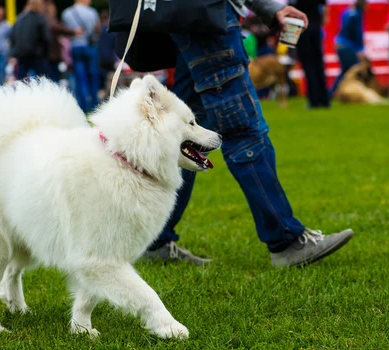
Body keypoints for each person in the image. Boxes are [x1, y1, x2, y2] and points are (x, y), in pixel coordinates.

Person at [141, 0, 354, 267]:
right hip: (208, 16)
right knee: (243, 129)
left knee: (182, 135)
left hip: (186, 15)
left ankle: (154, 239)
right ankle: (286, 240)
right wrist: (270, 7)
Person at [62, 0, 101, 112]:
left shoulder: (67, 13)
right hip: (90, 47)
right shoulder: (92, 12)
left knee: (80, 77)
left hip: (76, 47)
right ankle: (95, 106)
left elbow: (66, 31)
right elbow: (97, 29)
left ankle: (83, 106)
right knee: (93, 77)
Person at [291, 0, 330, 109]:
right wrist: (320, 21)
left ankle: (313, 100)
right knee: (319, 64)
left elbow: (291, 12)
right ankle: (324, 99)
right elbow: (325, 6)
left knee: (308, 66)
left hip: (302, 29)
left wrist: (290, 38)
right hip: (315, 27)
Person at [330, 0, 366, 97]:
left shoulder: (346, 11)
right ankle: (351, 91)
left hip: (339, 43)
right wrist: (360, 49)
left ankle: (332, 92)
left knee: (345, 69)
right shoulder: (358, 14)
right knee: (355, 70)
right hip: (348, 45)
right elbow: (357, 33)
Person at [11, 0, 50, 80]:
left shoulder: (19, 18)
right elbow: (46, 38)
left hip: (21, 55)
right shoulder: (39, 18)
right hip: (37, 55)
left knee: (21, 79)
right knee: (42, 80)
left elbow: (13, 36)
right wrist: (45, 53)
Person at [44, 0, 81, 83]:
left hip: (49, 53)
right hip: (51, 53)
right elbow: (57, 28)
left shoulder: (43, 18)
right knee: (53, 77)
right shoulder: (49, 18)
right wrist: (73, 31)